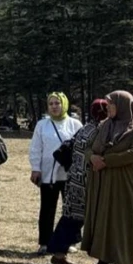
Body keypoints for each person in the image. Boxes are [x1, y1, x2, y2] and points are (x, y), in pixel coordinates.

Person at [83, 91, 133, 264]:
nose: (107, 108)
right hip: (104, 182)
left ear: (123, 106)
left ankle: (129, 263)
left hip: (126, 183)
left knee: (126, 220)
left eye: (111, 104)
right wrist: (92, 157)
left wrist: (106, 161)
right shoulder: (105, 126)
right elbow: (88, 147)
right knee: (105, 218)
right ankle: (104, 260)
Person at [49, 99, 108, 264]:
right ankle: (102, 258)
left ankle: (59, 253)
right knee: (90, 218)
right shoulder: (100, 129)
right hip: (87, 181)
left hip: (74, 179)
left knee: (71, 217)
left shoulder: (86, 127)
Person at [29, 92, 83, 254]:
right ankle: (45, 242)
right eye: (51, 104)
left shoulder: (75, 124)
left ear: (64, 105)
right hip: (48, 175)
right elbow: (36, 148)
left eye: (57, 103)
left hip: (70, 174)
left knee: (71, 209)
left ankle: (70, 241)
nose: (54, 107)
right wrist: (35, 168)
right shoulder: (42, 125)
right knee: (47, 209)